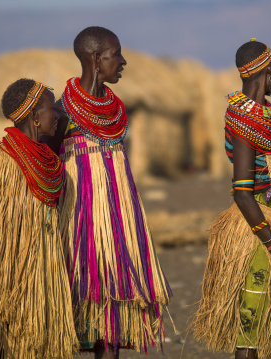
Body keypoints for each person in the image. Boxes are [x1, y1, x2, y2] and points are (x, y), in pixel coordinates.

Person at [45, 26, 171, 358]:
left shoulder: (115, 110)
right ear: (96, 59)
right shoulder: (62, 113)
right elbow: (45, 166)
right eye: (116, 54)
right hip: (79, 224)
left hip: (118, 221)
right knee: (81, 302)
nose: (123, 60)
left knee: (114, 311)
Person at [193, 39, 271, 359]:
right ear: (267, 74)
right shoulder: (243, 119)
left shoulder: (270, 114)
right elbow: (243, 194)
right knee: (252, 326)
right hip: (257, 230)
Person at [0, 78, 78, 358]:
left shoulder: (47, 161)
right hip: (7, 270)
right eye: (50, 109)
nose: (57, 113)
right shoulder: (1, 162)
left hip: (44, 267)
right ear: (35, 117)